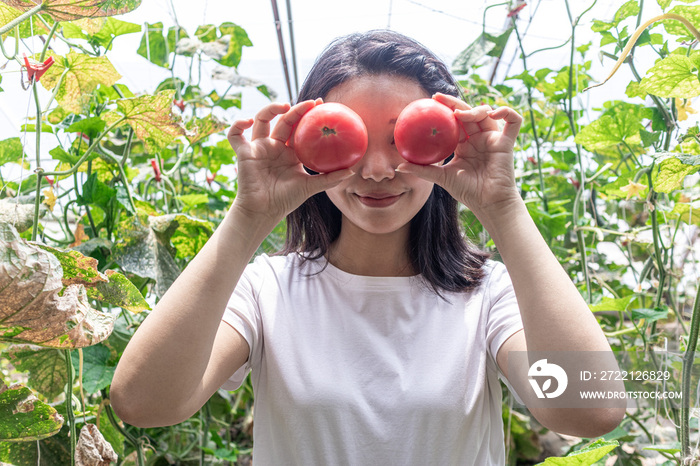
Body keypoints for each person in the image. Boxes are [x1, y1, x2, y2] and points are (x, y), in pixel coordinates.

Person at [111, 30, 624, 465]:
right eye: (345, 136)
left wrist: (504, 208)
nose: (377, 170)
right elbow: (143, 402)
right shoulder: (267, 291)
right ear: (304, 146)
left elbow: (589, 410)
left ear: (446, 143)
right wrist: (249, 217)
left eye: (407, 136)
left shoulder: (488, 296)